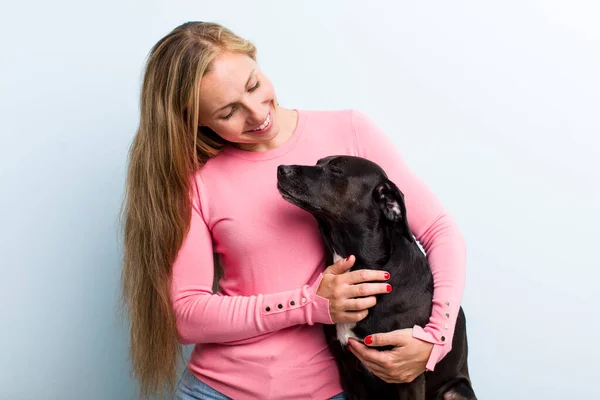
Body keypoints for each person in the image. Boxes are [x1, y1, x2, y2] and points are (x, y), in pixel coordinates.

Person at [120, 21, 467, 400]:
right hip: (215, 391)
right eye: (228, 112)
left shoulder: (349, 131)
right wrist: (307, 304)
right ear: (196, 120)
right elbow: (186, 315)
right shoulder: (197, 180)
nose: (256, 114)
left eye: (253, 85)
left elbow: (439, 232)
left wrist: (436, 340)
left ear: (255, 58)